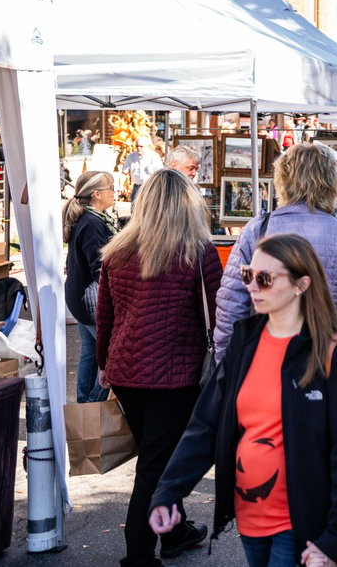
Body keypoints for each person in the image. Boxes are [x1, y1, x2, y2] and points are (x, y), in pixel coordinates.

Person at [149, 234, 337, 567]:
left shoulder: (336, 356)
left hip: (300, 525)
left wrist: (336, 537)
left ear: (301, 284)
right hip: (250, 518)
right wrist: (168, 492)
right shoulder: (244, 341)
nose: (252, 286)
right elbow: (206, 425)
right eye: (247, 275)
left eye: (265, 278)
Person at [97, 169, 221, 567]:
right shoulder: (198, 252)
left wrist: (103, 364)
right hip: (177, 376)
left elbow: (106, 317)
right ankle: (138, 557)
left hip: (126, 371)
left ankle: (176, 532)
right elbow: (219, 314)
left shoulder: (117, 252)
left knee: (159, 460)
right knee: (156, 469)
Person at [214, 142, 337, 380]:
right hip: (329, 358)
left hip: (267, 358)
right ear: (330, 182)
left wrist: (224, 363)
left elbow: (231, 303)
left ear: (282, 180)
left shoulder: (256, 230)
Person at [63, 170, 116, 404]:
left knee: (89, 353)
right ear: (96, 194)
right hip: (91, 301)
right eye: (111, 188)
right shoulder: (93, 222)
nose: (116, 192)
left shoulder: (86, 217)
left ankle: (84, 403)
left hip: (80, 298)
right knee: (110, 356)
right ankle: (93, 403)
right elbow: (100, 267)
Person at [120, 134, 163, 201]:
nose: (138, 148)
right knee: (134, 209)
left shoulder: (154, 157)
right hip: (137, 187)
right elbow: (124, 173)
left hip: (150, 187)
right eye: (137, 146)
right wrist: (121, 186)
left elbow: (160, 173)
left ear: (147, 146)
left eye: (141, 146)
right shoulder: (131, 157)